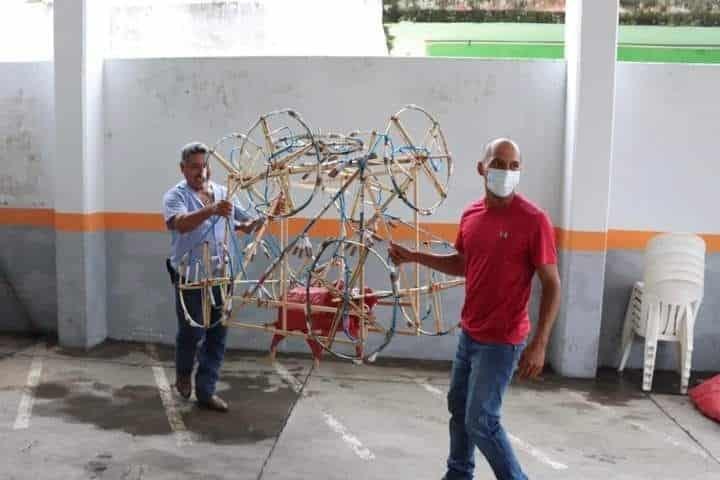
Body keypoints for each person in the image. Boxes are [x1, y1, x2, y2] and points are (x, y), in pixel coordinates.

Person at [389, 138, 561, 480]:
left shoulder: (533, 220)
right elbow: (463, 263)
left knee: (481, 419)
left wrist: (540, 343)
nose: (506, 172)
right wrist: (414, 256)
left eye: (514, 166)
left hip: (504, 339)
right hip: (470, 334)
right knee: (459, 409)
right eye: (498, 164)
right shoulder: (471, 215)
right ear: (482, 168)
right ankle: (458, 474)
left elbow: (552, 283)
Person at [162, 141, 262, 412]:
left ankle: (206, 391)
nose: (200, 171)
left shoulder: (222, 192)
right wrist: (211, 210)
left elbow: (242, 222)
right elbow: (180, 224)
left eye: (204, 166)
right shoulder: (175, 196)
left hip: (221, 274)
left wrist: (259, 221)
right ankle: (184, 373)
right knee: (192, 331)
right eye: (194, 167)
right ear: (182, 169)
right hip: (189, 274)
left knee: (218, 333)